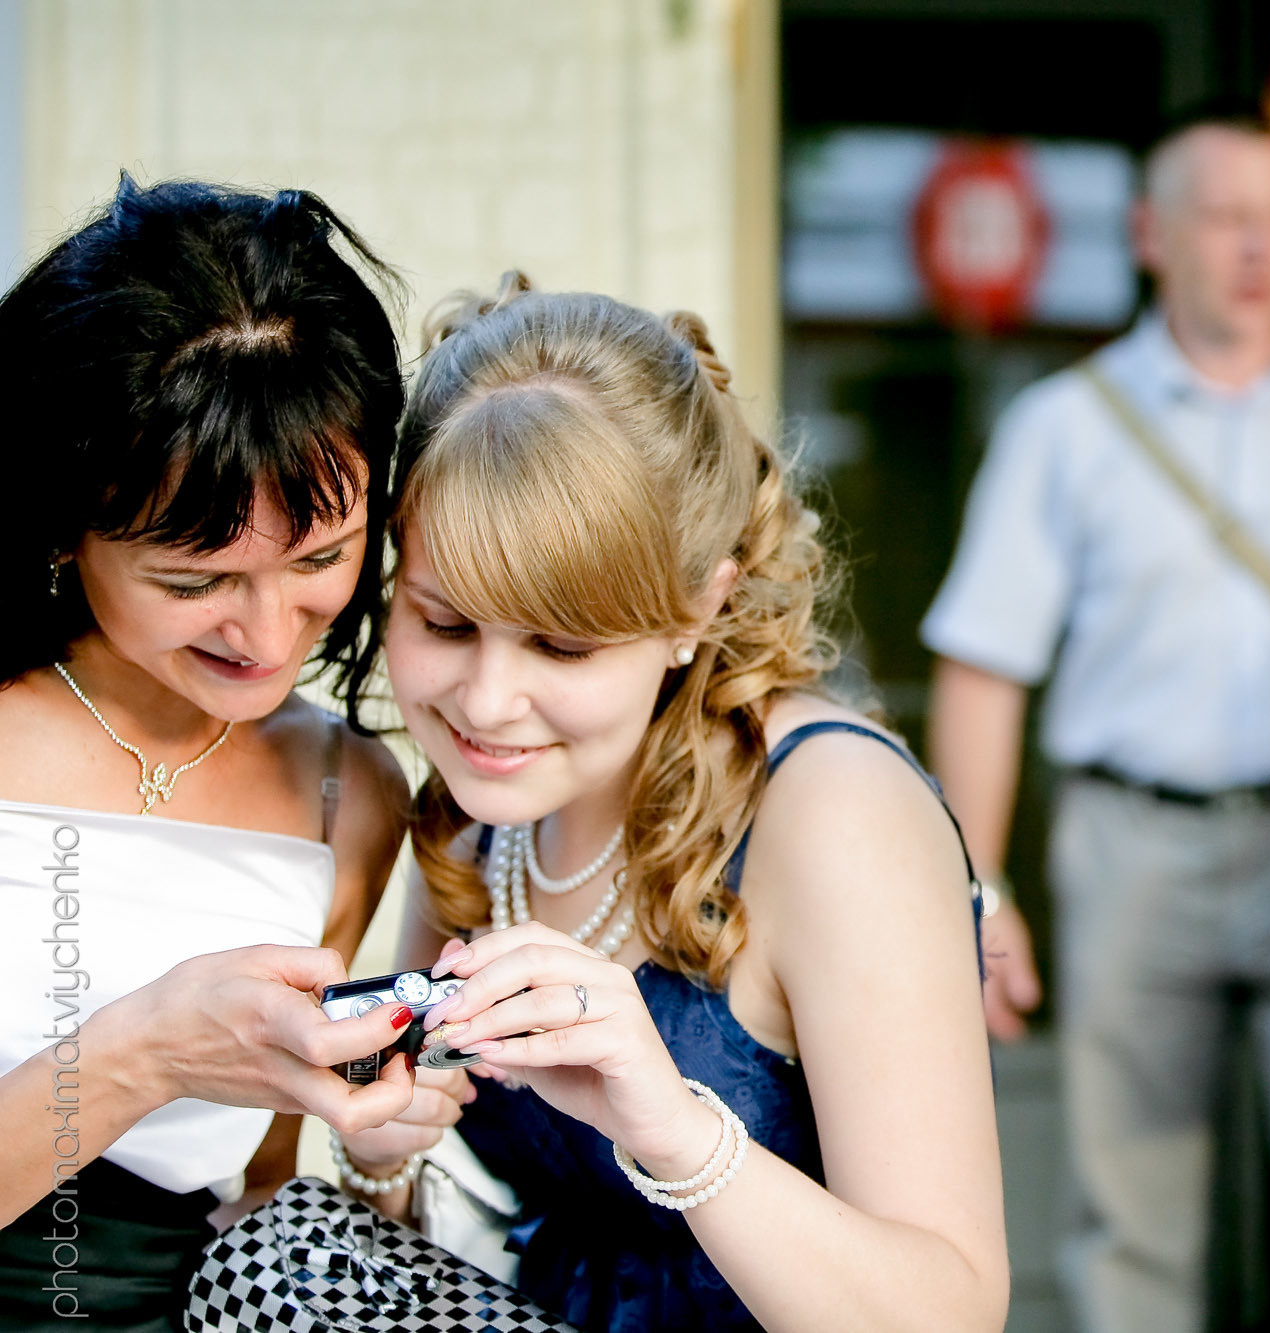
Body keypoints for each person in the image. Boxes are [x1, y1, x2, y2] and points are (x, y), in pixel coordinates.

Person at [334, 278, 1008, 1332]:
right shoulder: (477, 809)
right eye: (445, 622)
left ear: (699, 603)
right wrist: (383, 1152)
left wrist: (678, 1133)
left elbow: (951, 1312)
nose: (486, 701)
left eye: (560, 643)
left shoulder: (832, 812)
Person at [925, 111, 1270, 1333]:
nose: (1255, 245)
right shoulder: (1062, 430)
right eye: (1223, 216)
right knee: (1131, 1217)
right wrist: (976, 889)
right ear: (1149, 235)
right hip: (1133, 847)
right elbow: (983, 668)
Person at [0, 177, 418, 1330]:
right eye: (196, 581)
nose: (268, 632)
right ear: (58, 525)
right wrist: (144, 1052)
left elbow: (264, 1191)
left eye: (322, 557)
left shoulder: (349, 791)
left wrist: (379, 1137)